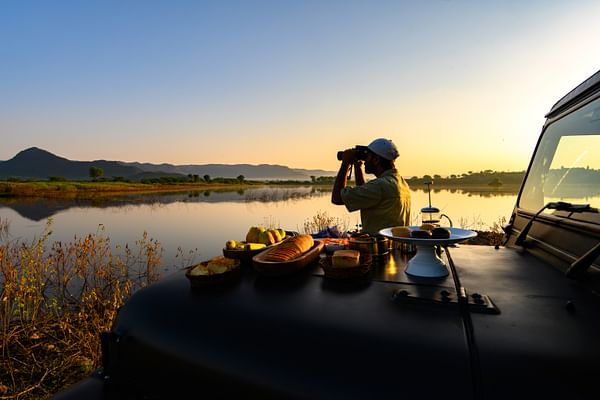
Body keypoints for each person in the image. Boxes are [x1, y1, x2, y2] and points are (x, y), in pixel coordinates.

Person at [331, 138, 411, 235]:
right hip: (394, 244)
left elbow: (337, 198)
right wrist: (357, 167)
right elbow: (364, 196)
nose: (364, 161)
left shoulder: (380, 186)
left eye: (367, 156)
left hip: (379, 246)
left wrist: (345, 163)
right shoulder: (401, 183)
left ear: (376, 160)